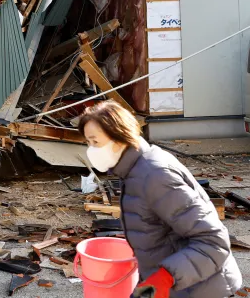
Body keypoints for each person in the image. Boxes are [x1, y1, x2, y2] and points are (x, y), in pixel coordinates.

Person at [79, 100, 242, 298]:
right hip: (176, 285)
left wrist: (164, 278)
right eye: (88, 143)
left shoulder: (155, 175)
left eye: (95, 142)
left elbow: (213, 242)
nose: (90, 150)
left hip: (198, 289)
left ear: (119, 137)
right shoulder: (133, 171)